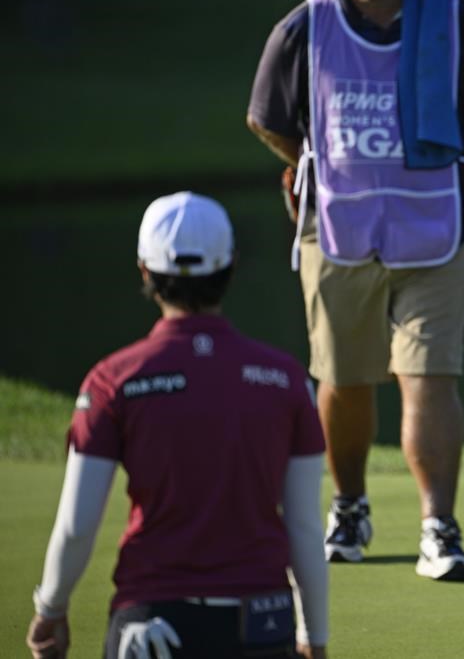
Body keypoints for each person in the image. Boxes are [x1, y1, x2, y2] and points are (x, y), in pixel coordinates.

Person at [246, 0, 464, 581]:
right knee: (343, 377)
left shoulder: (453, 13)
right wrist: (316, 167)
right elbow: (267, 119)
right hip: (337, 228)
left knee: (430, 375)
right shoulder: (305, 25)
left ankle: (438, 529)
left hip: (436, 226)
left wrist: (441, 153)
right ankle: (350, 509)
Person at [25, 192, 329, 659]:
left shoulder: (113, 380)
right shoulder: (285, 379)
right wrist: (315, 637)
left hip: (151, 624)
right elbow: (305, 527)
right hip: (261, 624)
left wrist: (51, 608)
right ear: (230, 267)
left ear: (145, 271)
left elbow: (77, 525)